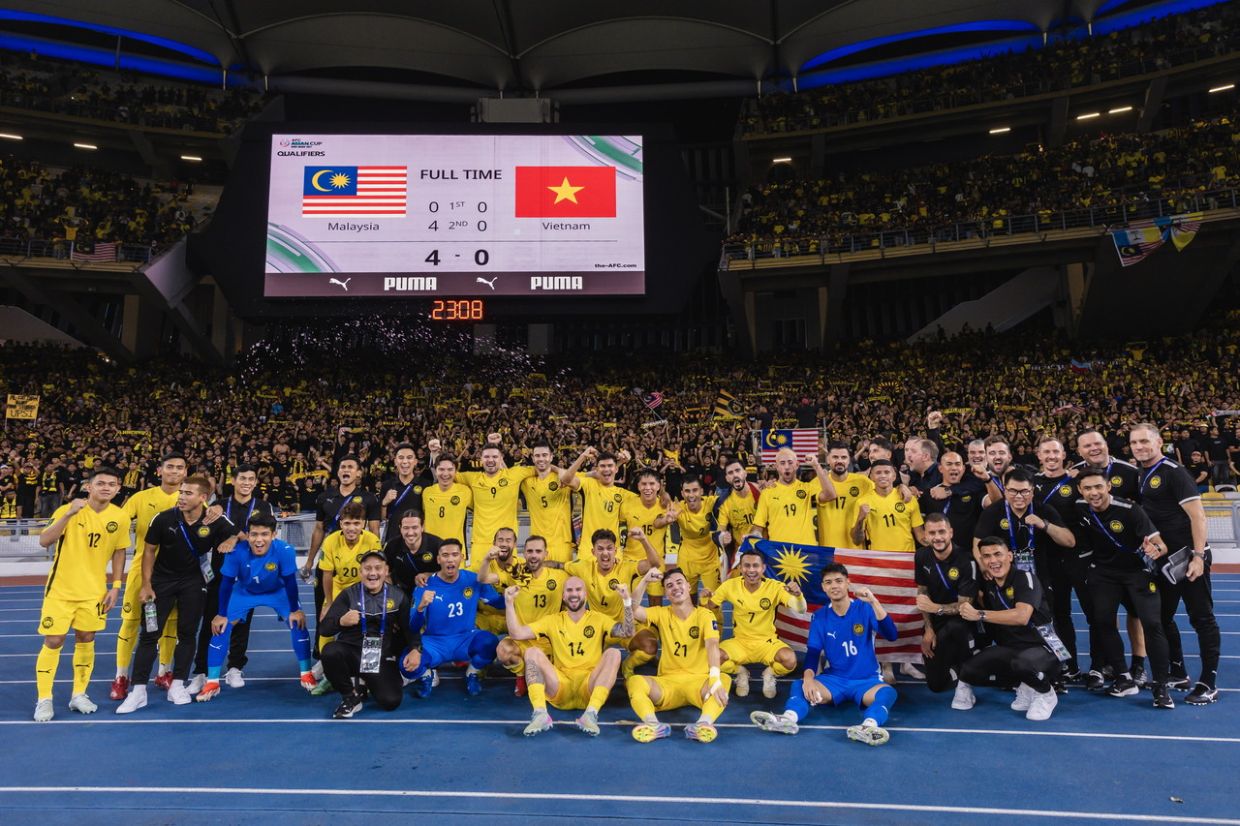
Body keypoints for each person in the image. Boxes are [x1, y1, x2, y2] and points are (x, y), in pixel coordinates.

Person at [117, 475, 238, 713]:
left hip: (194, 584)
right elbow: (149, 551)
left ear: (203, 497)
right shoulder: (163, 518)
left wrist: (232, 539)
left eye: (188, 493)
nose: (181, 497)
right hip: (160, 583)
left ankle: (178, 685)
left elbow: (239, 533)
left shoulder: (215, 520)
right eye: (181, 492)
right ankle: (138, 691)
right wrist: (146, 584)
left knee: (187, 633)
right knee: (150, 635)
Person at [751, 563, 899, 746]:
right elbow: (813, 653)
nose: (834, 586)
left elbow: (892, 635)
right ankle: (788, 718)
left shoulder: (865, 608)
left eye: (839, 581)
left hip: (866, 680)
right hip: (834, 680)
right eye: (828, 582)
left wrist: (874, 602)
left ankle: (868, 726)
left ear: (848, 583)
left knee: (888, 693)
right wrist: (808, 678)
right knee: (800, 685)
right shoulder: (820, 616)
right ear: (823, 587)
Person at [1129, 424, 1219, 705]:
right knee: (1162, 617)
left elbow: (1198, 517)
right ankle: (1178, 671)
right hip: (1164, 562)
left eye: (1145, 441)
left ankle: (1208, 681)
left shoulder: (1174, 472)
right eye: (1134, 442)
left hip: (1188, 558)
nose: (1139, 446)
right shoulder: (1142, 472)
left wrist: (1198, 556)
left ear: (1159, 442)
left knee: (1201, 618)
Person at [33, 466, 129, 722]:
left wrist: (116, 587)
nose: (106, 487)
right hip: (61, 591)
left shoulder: (119, 517)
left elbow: (120, 552)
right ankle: (44, 699)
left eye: (112, 484)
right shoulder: (67, 509)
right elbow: (44, 541)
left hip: (94, 593)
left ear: (118, 489)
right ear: (89, 486)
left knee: (86, 639)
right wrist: (68, 514)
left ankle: (79, 694)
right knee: (53, 641)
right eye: (101, 483)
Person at [1073, 467, 1175, 708]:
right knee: (1104, 622)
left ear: (1109, 486)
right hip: (1103, 574)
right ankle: (1123, 677)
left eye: (1098, 486)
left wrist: (1155, 550)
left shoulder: (1131, 510)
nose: (1094, 492)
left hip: (1136, 573)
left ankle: (1160, 686)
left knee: (1152, 624)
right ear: (1080, 490)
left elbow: (1161, 545)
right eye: (1087, 488)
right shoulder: (1079, 508)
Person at [195, 513, 316, 701]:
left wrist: (295, 609)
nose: (259, 540)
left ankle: (306, 673)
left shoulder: (285, 550)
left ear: (274, 535)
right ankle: (212, 681)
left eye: (264, 534)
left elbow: (290, 582)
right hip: (244, 592)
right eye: (254, 534)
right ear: (248, 535)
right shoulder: (236, 552)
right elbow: (226, 584)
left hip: (277, 591)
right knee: (221, 627)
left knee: (298, 623)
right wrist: (221, 614)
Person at [504, 575, 633, 736]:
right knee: (532, 652)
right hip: (560, 686)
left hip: (589, 686)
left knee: (614, 653)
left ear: (585, 595)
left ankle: (591, 714)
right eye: (569, 590)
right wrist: (509, 603)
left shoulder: (599, 619)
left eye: (578, 589)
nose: (574, 594)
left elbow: (628, 632)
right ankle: (540, 714)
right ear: (563, 596)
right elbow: (516, 633)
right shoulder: (552, 620)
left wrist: (627, 601)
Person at [953, 538, 1063, 721]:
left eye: (998, 554)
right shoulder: (989, 585)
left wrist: (979, 614)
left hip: (1049, 647)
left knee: (1023, 664)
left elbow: (1022, 616)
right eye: (986, 556)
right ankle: (1026, 686)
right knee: (968, 670)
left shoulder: (1025, 577)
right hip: (1014, 648)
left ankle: (1045, 693)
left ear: (1010, 556)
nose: (993, 561)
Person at [190, 463, 277, 693]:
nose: (247, 483)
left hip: (249, 573)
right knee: (211, 620)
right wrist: (225, 532)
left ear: (255, 483)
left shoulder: (264, 507)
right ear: (233, 481)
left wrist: (233, 538)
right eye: (242, 478)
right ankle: (201, 671)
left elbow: (263, 541)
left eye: (251, 479)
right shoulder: (218, 506)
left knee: (241, 622)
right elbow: (206, 537)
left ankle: (236, 667)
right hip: (220, 573)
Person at [112, 452, 186, 700]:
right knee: (131, 622)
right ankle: (122, 676)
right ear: (160, 470)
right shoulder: (141, 497)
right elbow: (117, 520)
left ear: (185, 473)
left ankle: (164, 671)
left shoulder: (191, 498)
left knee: (170, 624)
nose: (174, 471)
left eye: (179, 468)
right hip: (141, 570)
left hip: (176, 574)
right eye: (170, 467)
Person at [626, 567, 731, 743]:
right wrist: (644, 580)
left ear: (689, 586)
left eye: (679, 582)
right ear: (666, 594)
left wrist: (714, 678)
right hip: (667, 685)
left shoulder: (705, 615)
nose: (675, 587)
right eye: (669, 585)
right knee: (634, 681)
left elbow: (712, 645)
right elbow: (633, 609)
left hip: (698, 684)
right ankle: (653, 725)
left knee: (724, 679)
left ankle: (703, 725)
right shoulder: (661, 613)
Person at [319, 550, 419, 718]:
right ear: (361, 572)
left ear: (386, 571)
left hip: (378, 655)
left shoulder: (398, 596)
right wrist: (341, 621)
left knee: (390, 701)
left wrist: (416, 649)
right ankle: (350, 696)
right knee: (329, 651)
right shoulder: (348, 594)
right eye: (368, 568)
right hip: (351, 652)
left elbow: (409, 628)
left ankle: (364, 680)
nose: (373, 573)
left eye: (378, 568)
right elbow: (324, 629)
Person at [301, 456, 380, 659]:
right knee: (324, 609)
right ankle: (322, 657)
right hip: (331, 561)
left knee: (368, 614)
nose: (346, 470)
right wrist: (310, 560)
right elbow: (318, 529)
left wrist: (376, 564)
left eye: (351, 467)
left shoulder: (369, 498)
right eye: (342, 466)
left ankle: (367, 661)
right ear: (338, 472)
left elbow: (373, 530)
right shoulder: (325, 497)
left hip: (360, 565)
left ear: (359, 473)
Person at [402, 539, 501, 697]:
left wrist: (513, 591)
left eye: (455, 555)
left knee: (490, 643)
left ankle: (472, 672)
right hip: (434, 642)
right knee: (405, 664)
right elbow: (413, 626)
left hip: (465, 639)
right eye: (445, 555)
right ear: (438, 559)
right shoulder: (425, 585)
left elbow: (497, 603)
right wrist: (420, 608)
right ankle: (428, 675)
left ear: (462, 557)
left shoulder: (474, 579)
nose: (450, 559)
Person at [702, 546, 804, 698]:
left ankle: (770, 674)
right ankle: (741, 672)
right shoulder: (730, 586)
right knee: (711, 657)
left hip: (767, 643)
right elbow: (709, 609)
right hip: (740, 642)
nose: (751, 570)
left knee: (789, 660)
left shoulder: (774, 587)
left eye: (755, 565)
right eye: (746, 565)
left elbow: (800, 609)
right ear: (741, 568)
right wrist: (704, 598)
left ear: (763, 568)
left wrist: (798, 595)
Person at [563, 528, 663, 678]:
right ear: (593, 551)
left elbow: (655, 563)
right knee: (581, 665)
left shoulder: (626, 567)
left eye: (609, 548)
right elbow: (557, 566)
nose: (605, 553)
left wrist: (643, 539)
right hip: (599, 628)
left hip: (626, 626)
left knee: (650, 646)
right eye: (600, 549)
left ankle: (628, 665)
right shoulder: (582, 567)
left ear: (615, 550)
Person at [1033, 436, 1094, 680]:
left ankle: (1102, 665)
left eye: (1055, 452)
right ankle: (1069, 664)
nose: (1051, 456)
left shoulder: (1078, 480)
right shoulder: (1031, 481)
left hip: (1077, 556)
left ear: (1063, 455)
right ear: (1038, 455)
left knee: (1094, 613)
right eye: (1046, 452)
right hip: (1047, 560)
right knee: (1059, 615)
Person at [492, 535, 567, 696]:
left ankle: (542, 668)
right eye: (530, 551)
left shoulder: (560, 577)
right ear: (524, 553)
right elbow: (483, 578)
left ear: (546, 554)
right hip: (521, 639)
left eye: (538, 551)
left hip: (550, 641)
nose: (534, 555)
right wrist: (486, 559)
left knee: (556, 689)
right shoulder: (516, 575)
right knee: (503, 651)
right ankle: (521, 674)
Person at [972, 467, 1075, 584]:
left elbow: (1070, 542)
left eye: (1024, 491)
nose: (1019, 496)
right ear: (1005, 491)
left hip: (1041, 575)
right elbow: (977, 543)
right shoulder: (992, 512)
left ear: (1032, 491)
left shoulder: (1044, 510)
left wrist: (1044, 525)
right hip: (1004, 575)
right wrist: (983, 565)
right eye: (1013, 491)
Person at [914, 513, 980, 692]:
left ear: (951, 532)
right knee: (935, 685)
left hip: (962, 620)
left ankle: (968, 661)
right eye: (932, 533)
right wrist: (928, 629)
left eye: (942, 532)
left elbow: (965, 606)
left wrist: (936, 608)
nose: (937, 537)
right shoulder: (921, 556)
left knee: (955, 628)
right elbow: (923, 593)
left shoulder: (967, 560)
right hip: (936, 620)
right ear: (925, 536)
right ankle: (953, 667)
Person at [314, 502, 383, 672]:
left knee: (375, 623)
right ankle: (326, 664)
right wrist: (329, 603)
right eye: (347, 523)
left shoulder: (372, 540)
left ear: (363, 524)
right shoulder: (330, 540)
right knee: (326, 625)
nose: (351, 528)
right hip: (340, 586)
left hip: (366, 588)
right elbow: (327, 574)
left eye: (356, 523)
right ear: (340, 524)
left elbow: (379, 571)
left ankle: (370, 665)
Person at [458, 441, 535, 563]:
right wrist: (435, 453)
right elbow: (447, 473)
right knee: (480, 581)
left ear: (501, 458)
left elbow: (542, 467)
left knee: (506, 581)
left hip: (506, 544)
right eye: (487, 457)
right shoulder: (472, 478)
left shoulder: (514, 474)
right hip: (480, 543)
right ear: (481, 459)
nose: (490, 460)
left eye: (494, 456)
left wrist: (559, 471)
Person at [750, 447, 836, 544]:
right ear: (776, 466)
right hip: (780, 552)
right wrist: (755, 535)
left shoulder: (807, 488)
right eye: (782, 463)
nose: (787, 466)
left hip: (805, 551)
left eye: (790, 462)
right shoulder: (767, 493)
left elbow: (830, 495)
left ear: (797, 465)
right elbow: (759, 524)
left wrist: (816, 466)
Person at [561, 447, 637, 550]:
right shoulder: (588, 484)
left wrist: (625, 459)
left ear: (616, 469)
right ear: (596, 469)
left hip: (612, 551)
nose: (606, 469)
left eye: (610, 466)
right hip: (588, 549)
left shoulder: (622, 494)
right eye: (602, 466)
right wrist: (583, 456)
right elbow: (565, 480)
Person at [619, 467, 672, 602]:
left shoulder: (666, 505)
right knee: (628, 605)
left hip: (655, 562)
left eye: (652, 484)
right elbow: (619, 531)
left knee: (656, 605)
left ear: (659, 486)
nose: (647, 487)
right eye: (643, 484)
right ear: (638, 486)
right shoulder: (627, 505)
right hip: (631, 562)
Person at [851, 459, 925, 552]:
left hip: (906, 559)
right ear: (871, 477)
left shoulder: (907, 498)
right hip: (879, 559)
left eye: (887, 472)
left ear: (894, 476)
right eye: (878, 473)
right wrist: (860, 520)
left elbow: (920, 536)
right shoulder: (862, 502)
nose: (883, 476)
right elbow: (857, 541)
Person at [520, 442, 575, 563]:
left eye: (544, 455)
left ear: (551, 457)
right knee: (538, 581)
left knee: (562, 580)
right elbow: (506, 476)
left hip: (561, 543)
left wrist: (560, 470)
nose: (541, 459)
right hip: (537, 545)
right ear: (533, 458)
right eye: (537, 456)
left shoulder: (563, 478)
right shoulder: (527, 482)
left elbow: (590, 476)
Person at [815, 442, 872, 548]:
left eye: (844, 457)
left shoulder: (863, 482)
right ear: (828, 459)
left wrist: (903, 487)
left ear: (849, 460)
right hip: (828, 549)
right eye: (835, 457)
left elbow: (886, 491)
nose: (840, 461)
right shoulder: (817, 482)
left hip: (855, 551)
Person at [928, 451, 986, 541]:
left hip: (967, 551)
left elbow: (994, 500)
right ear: (940, 468)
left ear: (963, 469)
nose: (954, 468)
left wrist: (949, 490)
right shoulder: (931, 492)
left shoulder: (973, 489)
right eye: (949, 464)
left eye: (957, 464)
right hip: (939, 548)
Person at [713, 457, 760, 567]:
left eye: (737, 470)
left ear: (745, 473)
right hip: (742, 555)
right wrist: (722, 537)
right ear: (727, 478)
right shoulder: (724, 503)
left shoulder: (761, 491)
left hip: (764, 551)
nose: (735, 475)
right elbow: (720, 531)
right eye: (730, 473)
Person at [383, 509, 443, 594]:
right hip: (402, 593)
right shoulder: (392, 545)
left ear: (422, 527)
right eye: (406, 528)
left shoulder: (437, 545)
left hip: (432, 591)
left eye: (414, 527)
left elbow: (451, 572)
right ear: (400, 528)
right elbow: (384, 571)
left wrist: (430, 575)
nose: (410, 532)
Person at [421, 455, 472, 548]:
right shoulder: (427, 492)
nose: (445, 474)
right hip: (430, 549)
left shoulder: (465, 491)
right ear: (435, 471)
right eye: (441, 469)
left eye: (450, 469)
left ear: (456, 471)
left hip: (456, 550)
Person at [379, 443, 423, 535]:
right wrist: (384, 503)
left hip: (416, 538)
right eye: (401, 458)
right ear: (395, 461)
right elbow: (382, 519)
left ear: (415, 461)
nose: (405, 461)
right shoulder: (387, 485)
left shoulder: (425, 485)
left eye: (409, 457)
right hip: (392, 537)